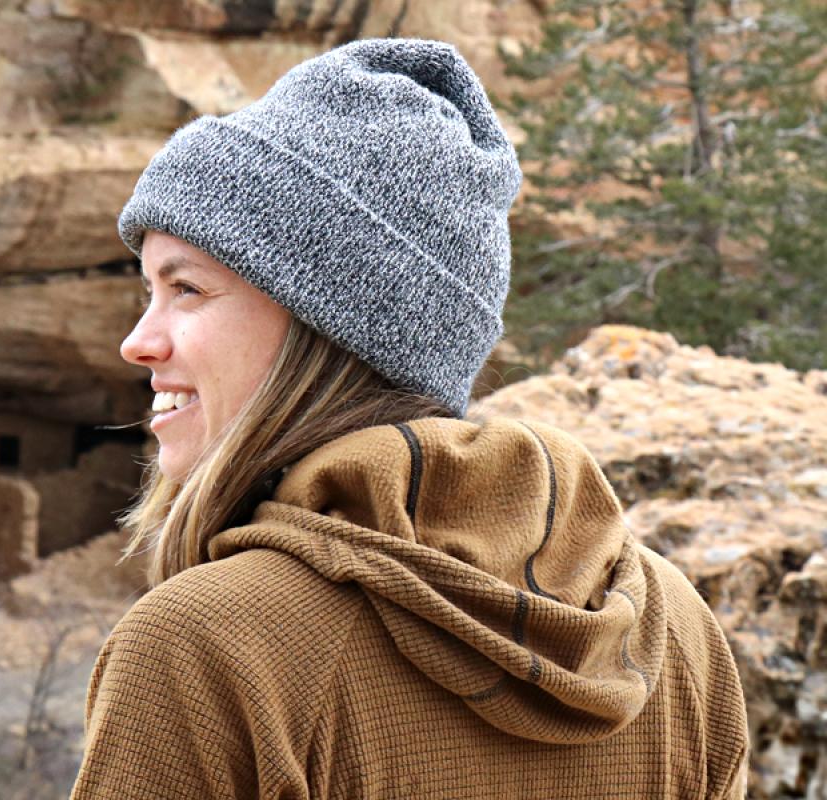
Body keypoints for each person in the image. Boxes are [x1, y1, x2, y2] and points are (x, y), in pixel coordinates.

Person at [70, 38, 749, 799]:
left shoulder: (205, 648)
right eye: (147, 293)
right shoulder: (671, 630)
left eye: (186, 289)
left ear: (325, 322)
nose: (138, 342)